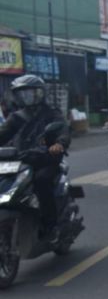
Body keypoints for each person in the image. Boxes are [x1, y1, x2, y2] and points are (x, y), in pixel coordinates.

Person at [0, 74, 70, 237]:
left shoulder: (51, 114)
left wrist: (59, 144)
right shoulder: (15, 117)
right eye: (22, 93)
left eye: (30, 92)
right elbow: (3, 134)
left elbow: (63, 131)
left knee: (42, 181)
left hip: (45, 159)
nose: (26, 97)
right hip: (20, 159)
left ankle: (51, 226)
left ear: (39, 93)